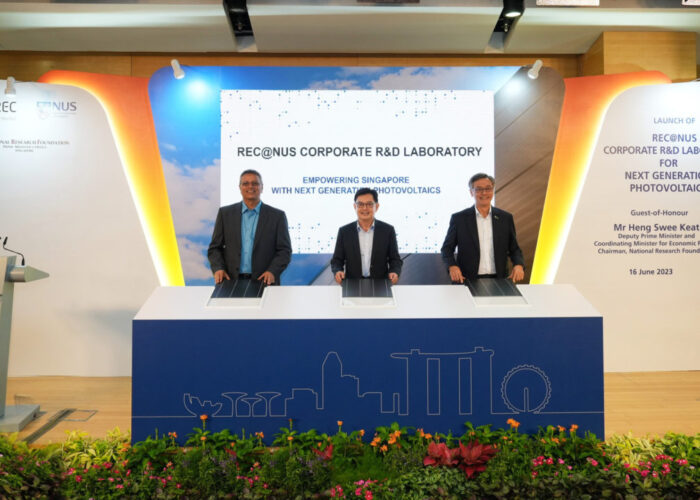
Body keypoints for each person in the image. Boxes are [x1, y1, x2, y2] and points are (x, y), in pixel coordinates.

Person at [208, 169, 292, 285]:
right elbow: (214, 248)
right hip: (230, 281)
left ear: (262, 187)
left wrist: (272, 271)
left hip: (265, 282)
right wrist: (218, 268)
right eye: (245, 183)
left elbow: (284, 251)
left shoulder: (277, 216)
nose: (250, 187)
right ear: (240, 187)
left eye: (255, 183)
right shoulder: (225, 214)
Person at [440, 173, 524, 283]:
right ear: (471, 192)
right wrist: (452, 266)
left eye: (488, 188)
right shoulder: (459, 219)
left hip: (500, 279)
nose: (484, 193)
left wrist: (519, 265)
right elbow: (446, 249)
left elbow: (514, 249)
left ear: (493, 190)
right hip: (467, 280)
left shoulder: (505, 218)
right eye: (478, 189)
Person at [331, 188, 402, 284]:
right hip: (352, 283)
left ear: (376, 206)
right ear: (354, 206)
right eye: (360, 204)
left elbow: (395, 260)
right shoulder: (344, 231)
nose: (365, 208)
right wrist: (338, 271)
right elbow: (337, 260)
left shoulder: (388, 230)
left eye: (369, 204)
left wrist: (394, 271)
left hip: (380, 283)